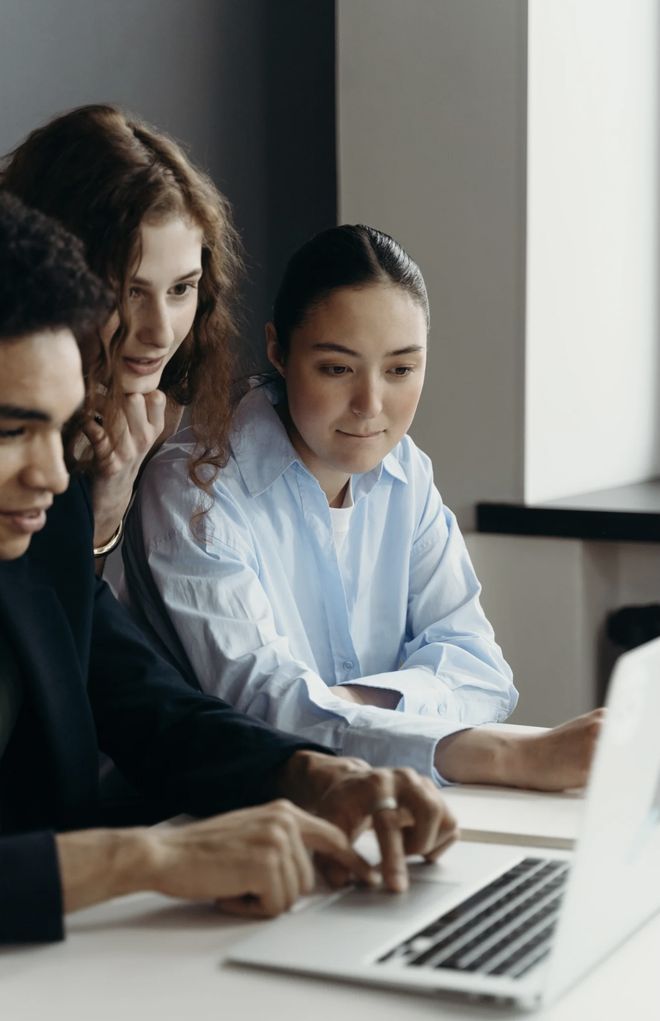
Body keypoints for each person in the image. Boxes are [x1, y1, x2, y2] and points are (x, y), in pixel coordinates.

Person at [0, 197, 457, 945]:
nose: (53, 476)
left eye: (61, 426)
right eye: (14, 430)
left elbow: (156, 709)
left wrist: (318, 775)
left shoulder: (41, 541)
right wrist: (145, 856)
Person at [124, 224, 603, 789]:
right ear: (278, 350)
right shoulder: (194, 488)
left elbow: (482, 672)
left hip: (393, 801)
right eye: (336, 368)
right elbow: (264, 713)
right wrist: (506, 755)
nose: (370, 406)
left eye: (401, 369)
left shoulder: (407, 473)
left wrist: (343, 703)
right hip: (228, 816)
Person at [1, 103, 245, 560]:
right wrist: (105, 509)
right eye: (130, 292)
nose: (159, 333)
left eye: (181, 289)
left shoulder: (162, 409)